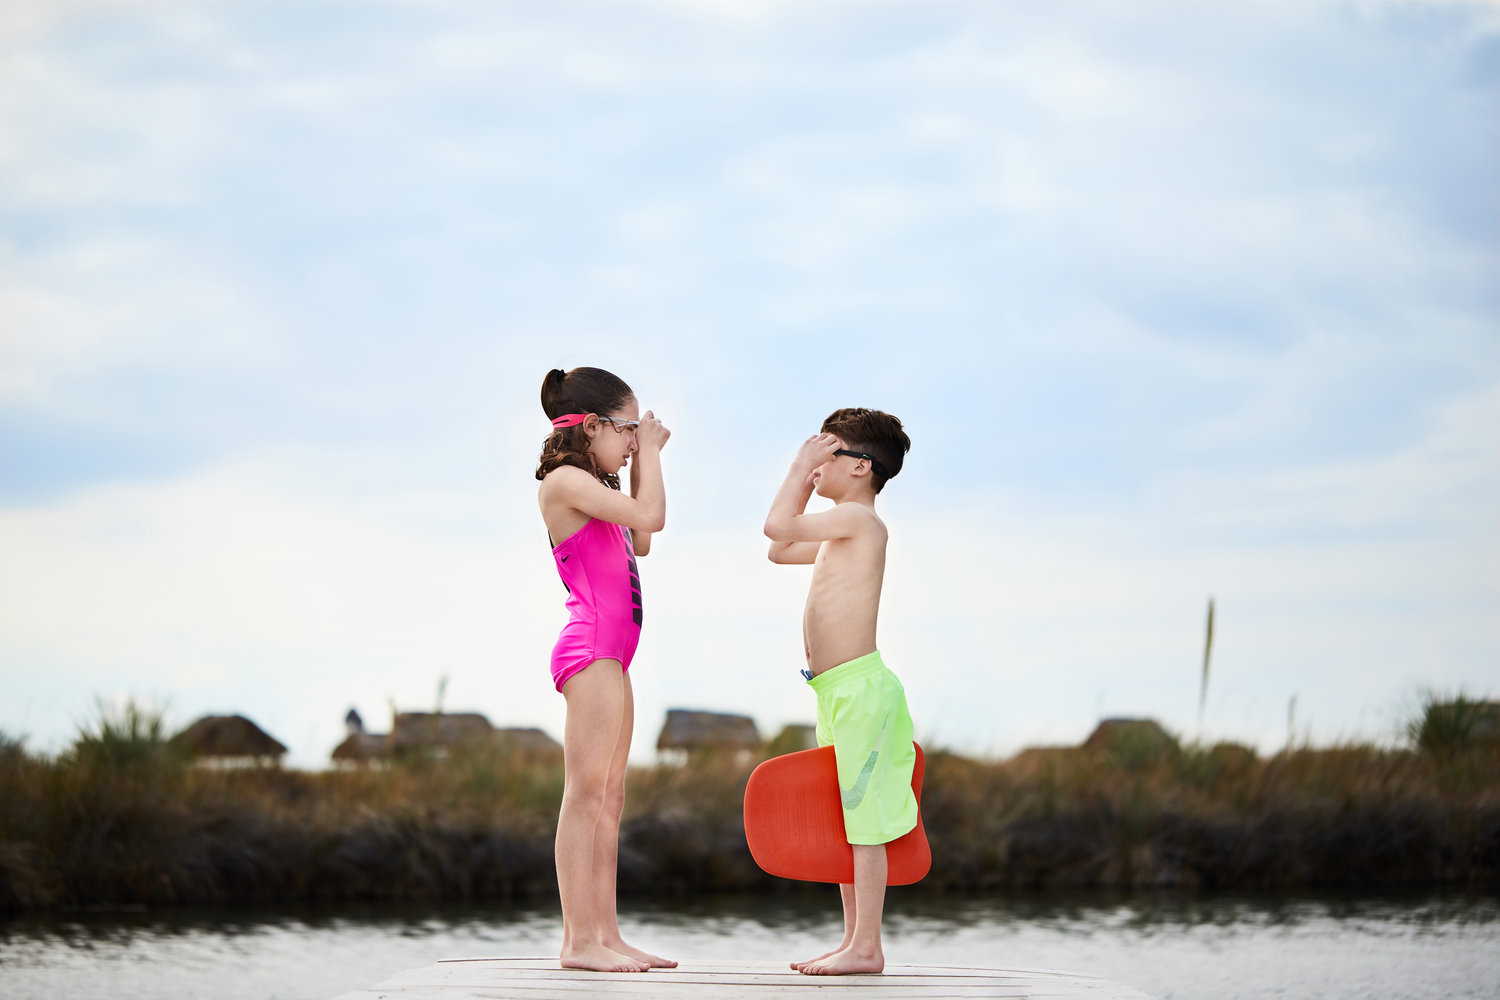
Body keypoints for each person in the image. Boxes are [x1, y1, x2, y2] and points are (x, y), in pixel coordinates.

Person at [763, 406, 917, 976]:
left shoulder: (860, 521)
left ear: (859, 467)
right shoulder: (839, 531)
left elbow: (776, 527)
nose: (814, 465)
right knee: (844, 819)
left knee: (864, 818)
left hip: (861, 691)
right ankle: (854, 940)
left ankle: (867, 946)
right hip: (833, 692)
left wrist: (796, 467)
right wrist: (809, 478)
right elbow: (781, 548)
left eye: (826, 454)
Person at [535, 366, 675, 973]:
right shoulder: (566, 481)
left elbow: (641, 538)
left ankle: (606, 935)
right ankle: (578, 942)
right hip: (590, 649)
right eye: (627, 429)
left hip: (615, 656)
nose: (634, 441)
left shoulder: (599, 489)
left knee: (610, 798)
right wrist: (655, 456)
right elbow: (653, 518)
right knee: (586, 794)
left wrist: (641, 459)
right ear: (592, 426)